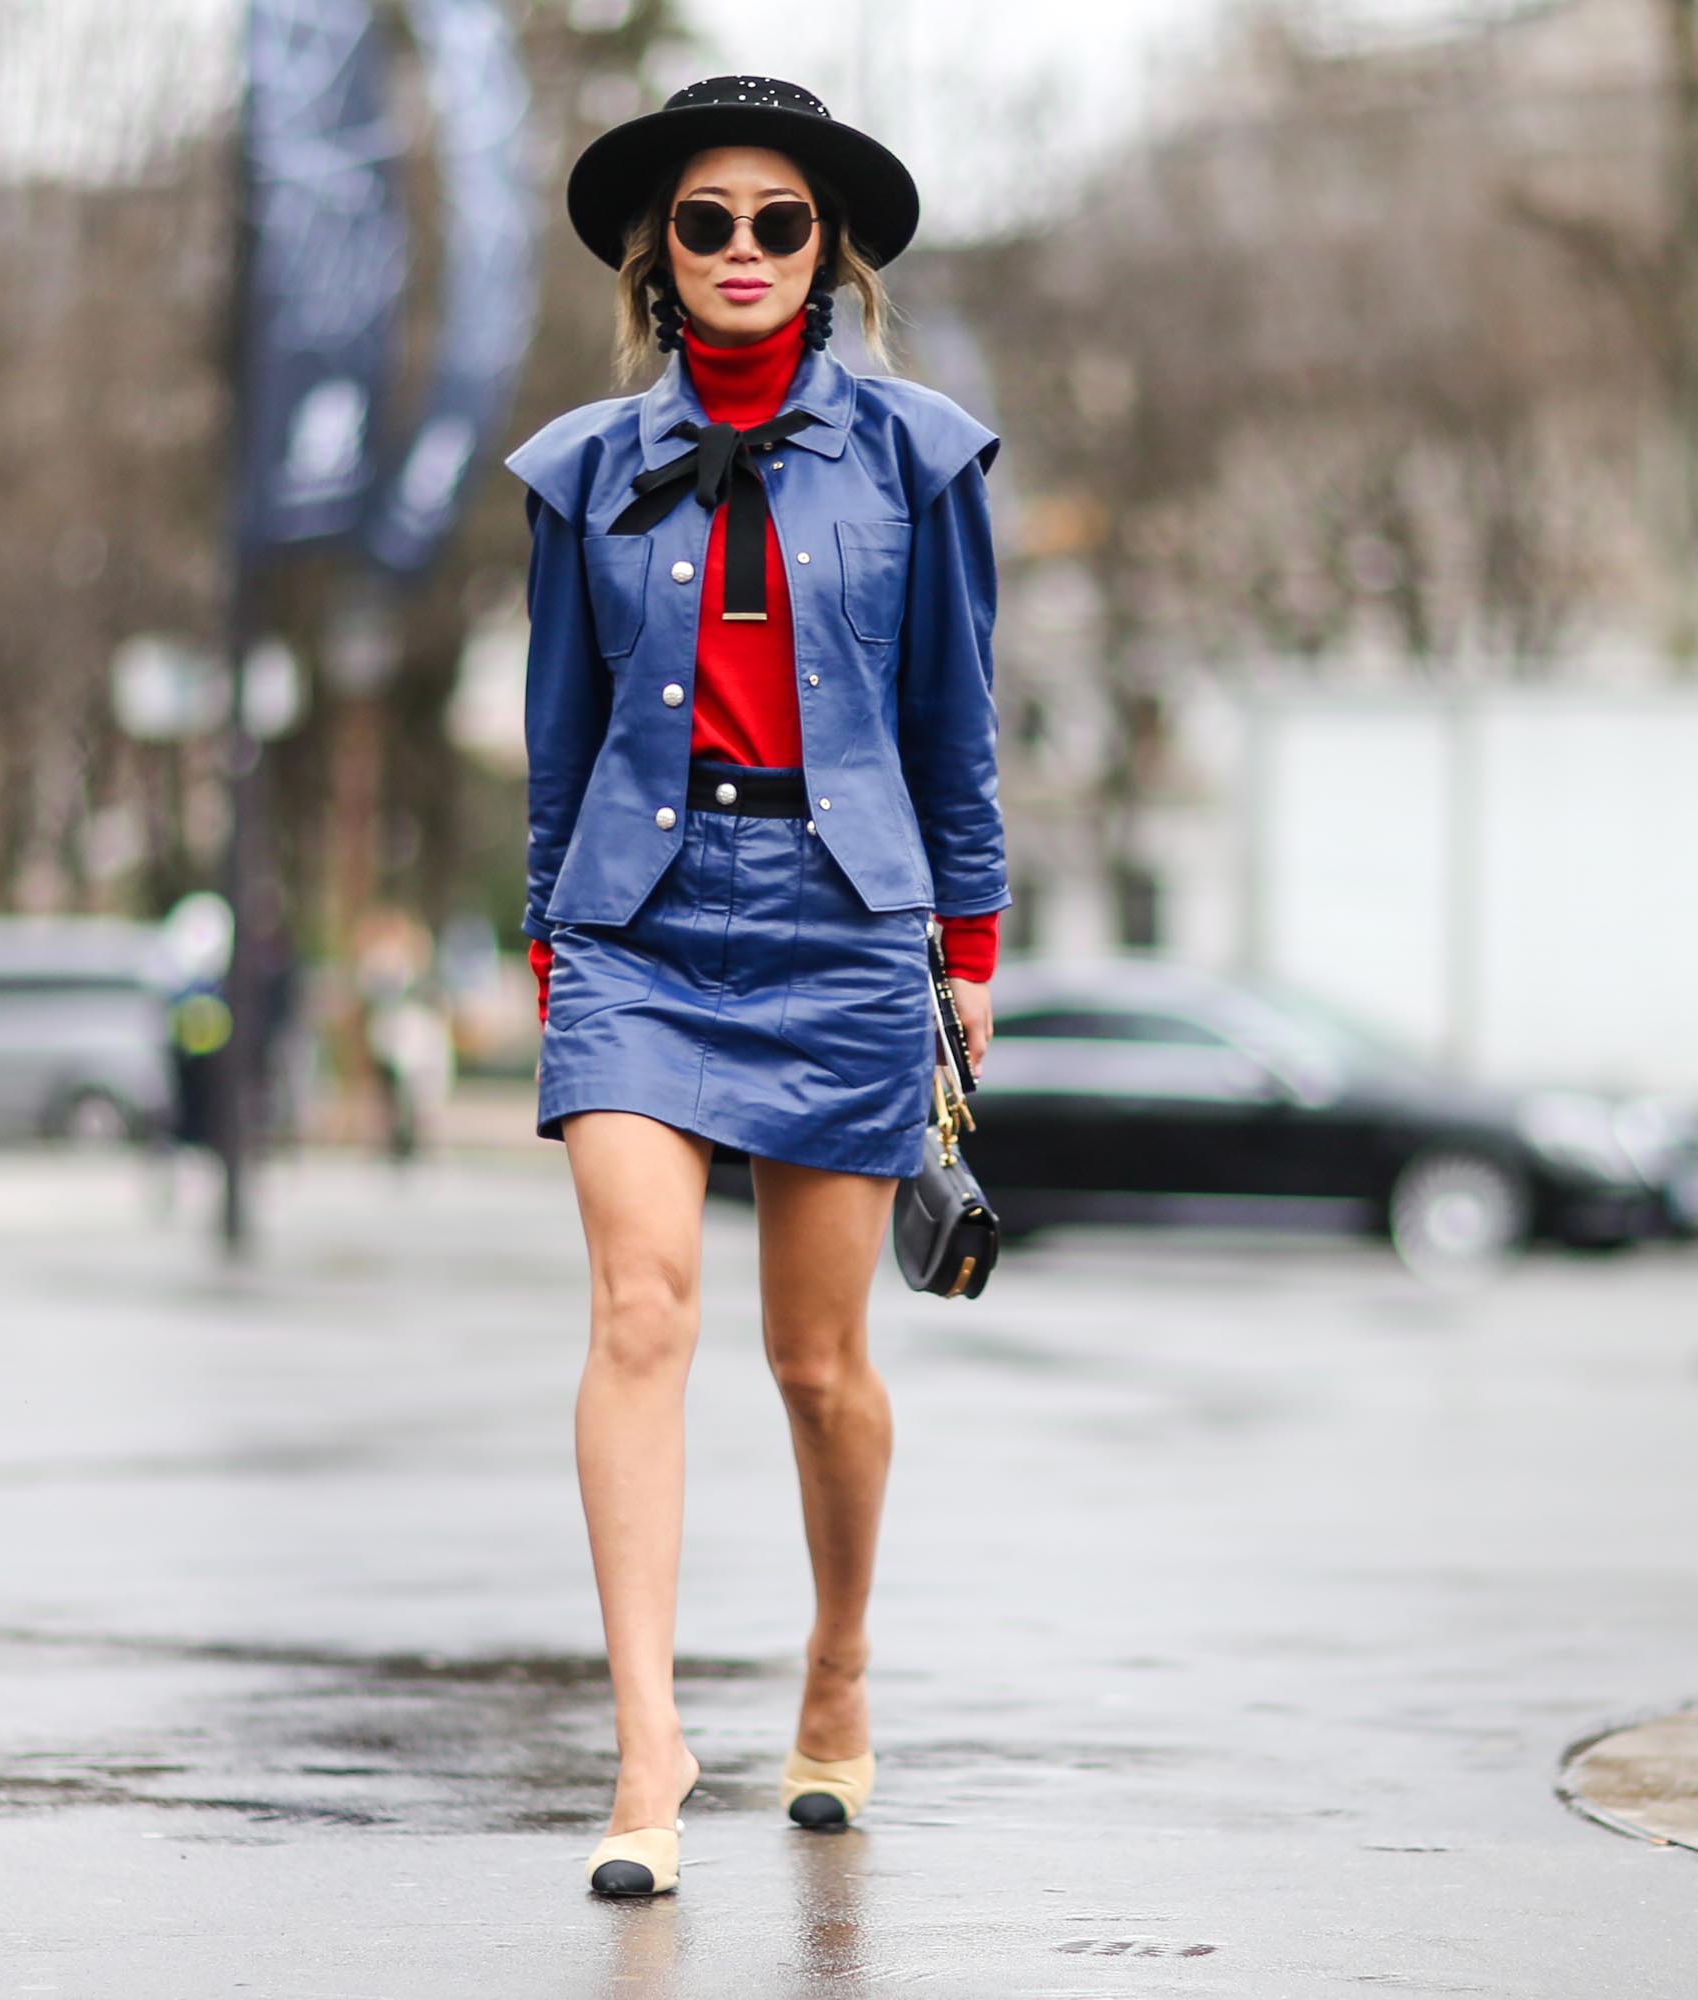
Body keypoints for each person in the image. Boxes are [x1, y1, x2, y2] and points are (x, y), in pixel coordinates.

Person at [511, 74, 1007, 1899]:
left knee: (821, 1364)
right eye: (706, 221)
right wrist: (552, 939)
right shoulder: (580, 472)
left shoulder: (918, 457)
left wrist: (969, 959)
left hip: (843, 918)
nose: (739, 250)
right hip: (636, 923)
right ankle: (648, 1736)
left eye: (776, 223)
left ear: (827, 256)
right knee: (640, 1317)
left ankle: (838, 1658)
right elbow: (559, 735)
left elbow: (957, 728)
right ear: (660, 254)